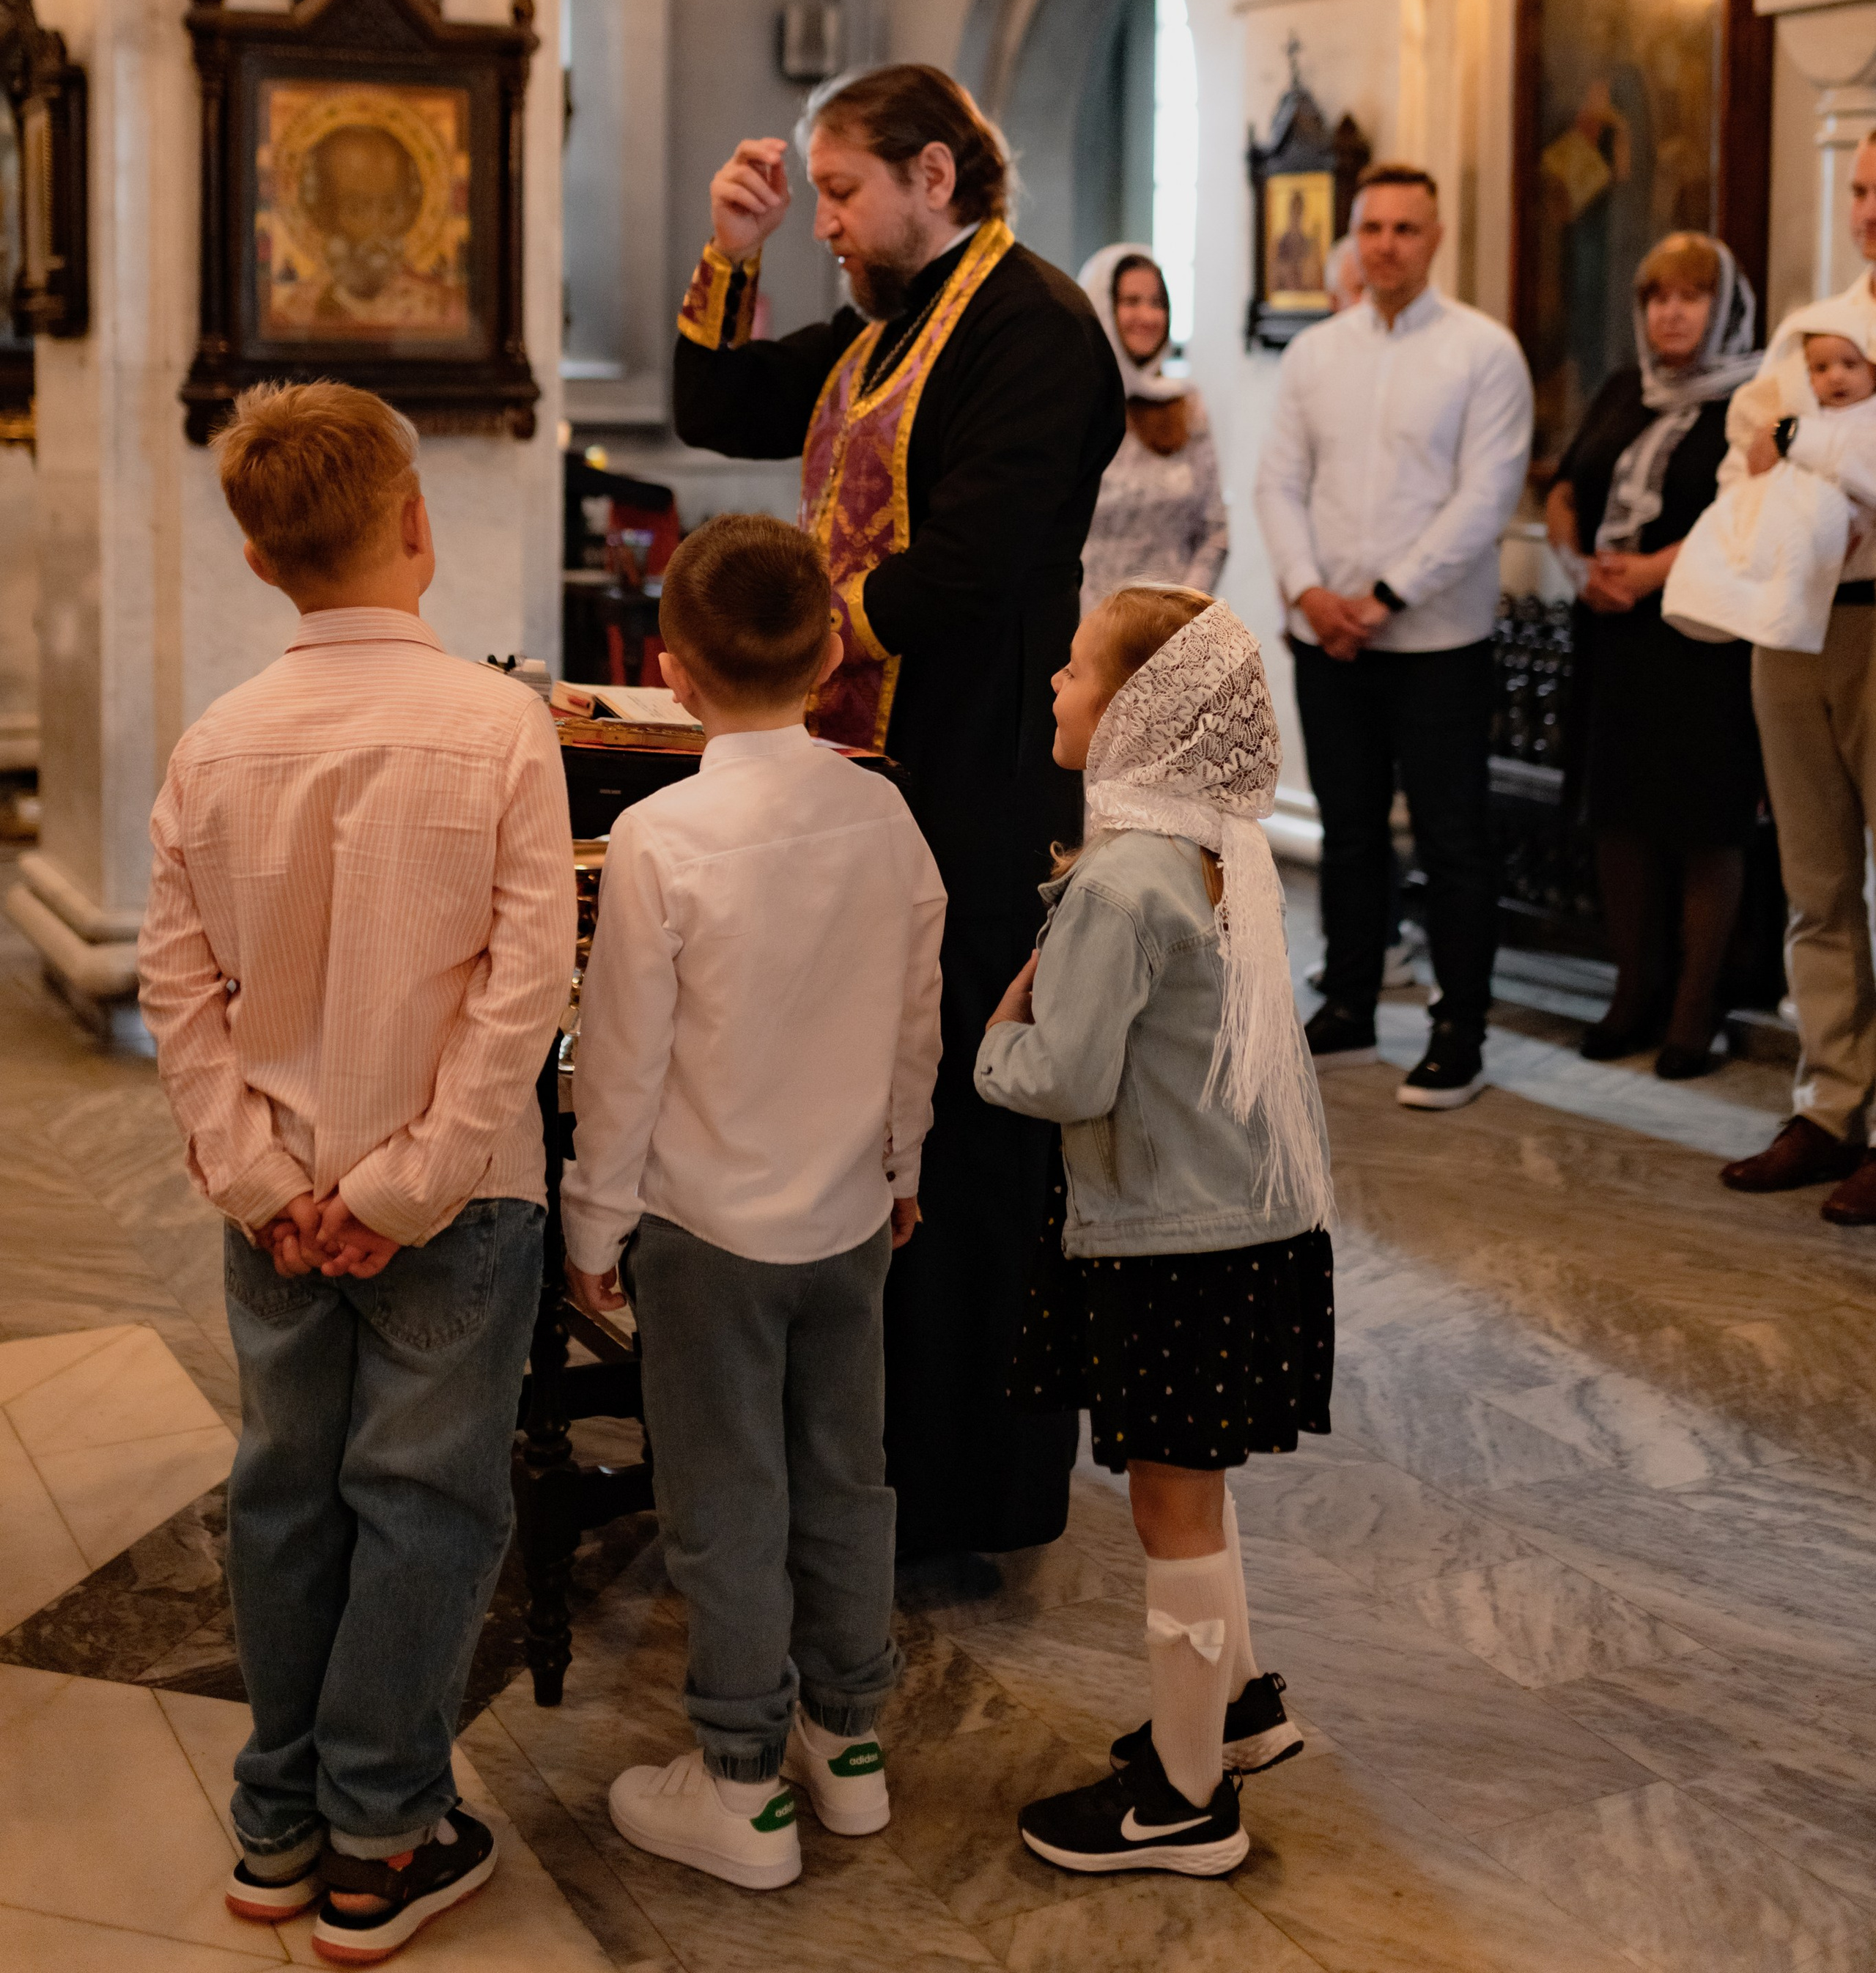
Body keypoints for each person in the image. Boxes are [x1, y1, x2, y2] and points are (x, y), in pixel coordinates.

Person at [136, 380, 575, 1963]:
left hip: (280, 1201)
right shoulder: (496, 721)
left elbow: (176, 989)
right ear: (416, 528)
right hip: (453, 1203)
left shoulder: (217, 739)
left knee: (282, 1493)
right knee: (426, 1505)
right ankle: (382, 1836)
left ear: (260, 566)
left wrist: (265, 1176)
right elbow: (529, 980)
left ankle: (277, 1824)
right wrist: (413, 1179)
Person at [669, 64, 1125, 1564]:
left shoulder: (1032, 328)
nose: (828, 228)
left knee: (975, 1132)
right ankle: (868, 1447)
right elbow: (719, 398)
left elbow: (977, 568)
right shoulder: (889, 326)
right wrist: (725, 255)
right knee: (880, 1110)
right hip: (873, 772)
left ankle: (967, 1487)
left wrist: (787, 640)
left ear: (934, 173)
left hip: (979, 776)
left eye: (841, 194)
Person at [561, 515, 945, 1890]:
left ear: (671, 671)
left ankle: (739, 1786)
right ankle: (848, 1750)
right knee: (847, 1478)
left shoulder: (662, 836)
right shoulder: (887, 809)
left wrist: (593, 1226)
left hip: (706, 1231)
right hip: (849, 1217)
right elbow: (919, 1018)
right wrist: (904, 1161)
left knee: (726, 1501)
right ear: (836, 649)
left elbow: (624, 1062)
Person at [975, 587, 1332, 1877]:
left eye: (1077, 671)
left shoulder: (1124, 879)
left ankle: (1185, 1807)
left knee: (1171, 1515)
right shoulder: (1210, 849)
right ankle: (1233, 1710)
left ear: (1142, 711)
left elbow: (1064, 1076)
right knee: (1199, 1489)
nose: (1059, 690)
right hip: (1246, 1224)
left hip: (1175, 1241)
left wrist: (992, 1050)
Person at [1253, 163, 1533, 1110]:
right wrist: (1308, 591)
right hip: (1327, 638)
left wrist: (1383, 595)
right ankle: (1353, 1002)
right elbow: (1280, 484)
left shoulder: (1483, 352)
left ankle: (1461, 1027)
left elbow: (1486, 496)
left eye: (1405, 229)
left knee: (1452, 839)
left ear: (1436, 237)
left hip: (1439, 643)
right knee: (1351, 833)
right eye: (1371, 227)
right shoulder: (1315, 353)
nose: (1385, 245)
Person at [1545, 235, 1764, 1079]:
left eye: (1691, 296)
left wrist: (1647, 572)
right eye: (1656, 297)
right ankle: (1631, 994)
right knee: (1621, 816)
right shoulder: (1617, 390)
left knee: (1704, 824)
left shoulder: (1764, 399)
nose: (1670, 312)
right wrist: (1577, 568)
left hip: (1704, 638)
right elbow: (1566, 488)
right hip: (1615, 638)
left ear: (1726, 309)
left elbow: (1754, 505)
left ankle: (1692, 1014)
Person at [1717, 133, 1876, 1225]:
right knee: (1816, 881)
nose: (1870, 207)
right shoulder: (1807, 330)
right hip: (1796, 622)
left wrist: (1799, 439)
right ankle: (1830, 1103)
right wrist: (1787, 442)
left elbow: (1804, 445)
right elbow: (1749, 464)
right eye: (1863, 188)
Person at [1665, 322, 1876, 654]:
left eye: (1850, 365)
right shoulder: (1786, 414)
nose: (1835, 377)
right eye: (1820, 369)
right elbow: (1751, 472)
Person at [1078, 243, 1229, 597]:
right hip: (1085, 627)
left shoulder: (1185, 403)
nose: (1147, 316)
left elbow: (1216, 530)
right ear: (1101, 308)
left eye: (1157, 303)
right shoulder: (1072, 407)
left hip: (1170, 626)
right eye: (1130, 302)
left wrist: (1181, 610)